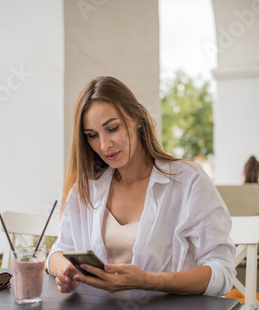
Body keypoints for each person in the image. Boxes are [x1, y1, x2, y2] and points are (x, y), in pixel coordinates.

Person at [46, 76, 236, 296]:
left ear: (137, 118)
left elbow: (222, 273)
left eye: (112, 128)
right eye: (92, 136)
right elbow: (58, 252)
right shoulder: (86, 188)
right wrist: (64, 272)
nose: (104, 145)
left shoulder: (188, 181)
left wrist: (149, 281)